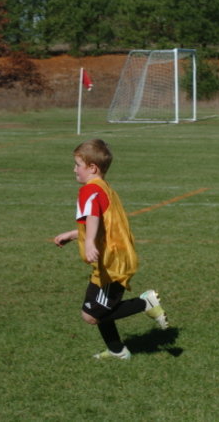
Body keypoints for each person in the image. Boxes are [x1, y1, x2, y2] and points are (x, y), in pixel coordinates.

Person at [53, 138, 168, 359]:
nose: (74, 169)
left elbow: (92, 217)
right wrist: (73, 235)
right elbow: (104, 225)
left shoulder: (89, 190)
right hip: (114, 259)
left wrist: (88, 243)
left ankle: (145, 303)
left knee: (90, 314)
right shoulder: (105, 189)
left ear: (92, 167)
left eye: (78, 165)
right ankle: (117, 350)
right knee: (100, 308)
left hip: (111, 264)